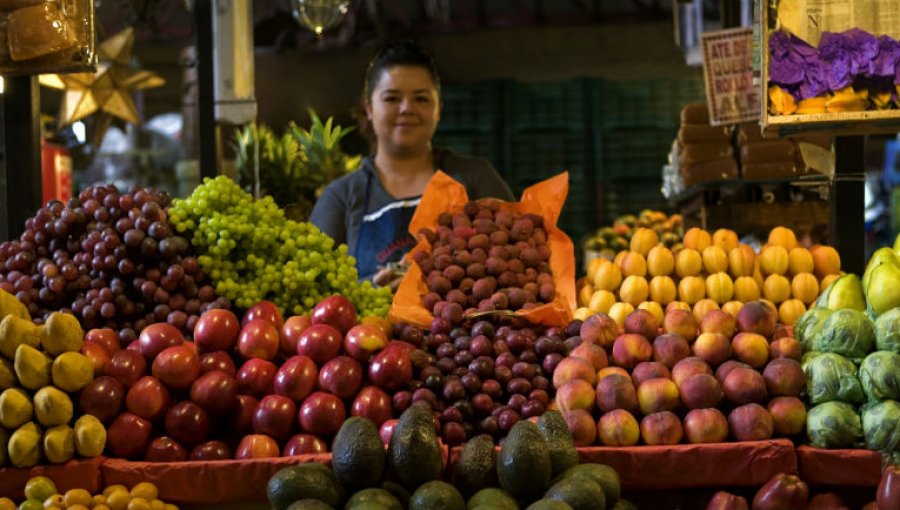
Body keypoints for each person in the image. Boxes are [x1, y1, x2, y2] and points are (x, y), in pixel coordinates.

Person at [310, 39, 514, 288]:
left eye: (421, 99)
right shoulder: (341, 197)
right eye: (392, 98)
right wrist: (373, 286)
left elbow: (518, 260)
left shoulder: (475, 177)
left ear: (439, 108)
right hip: (370, 326)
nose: (407, 108)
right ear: (369, 108)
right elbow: (315, 287)